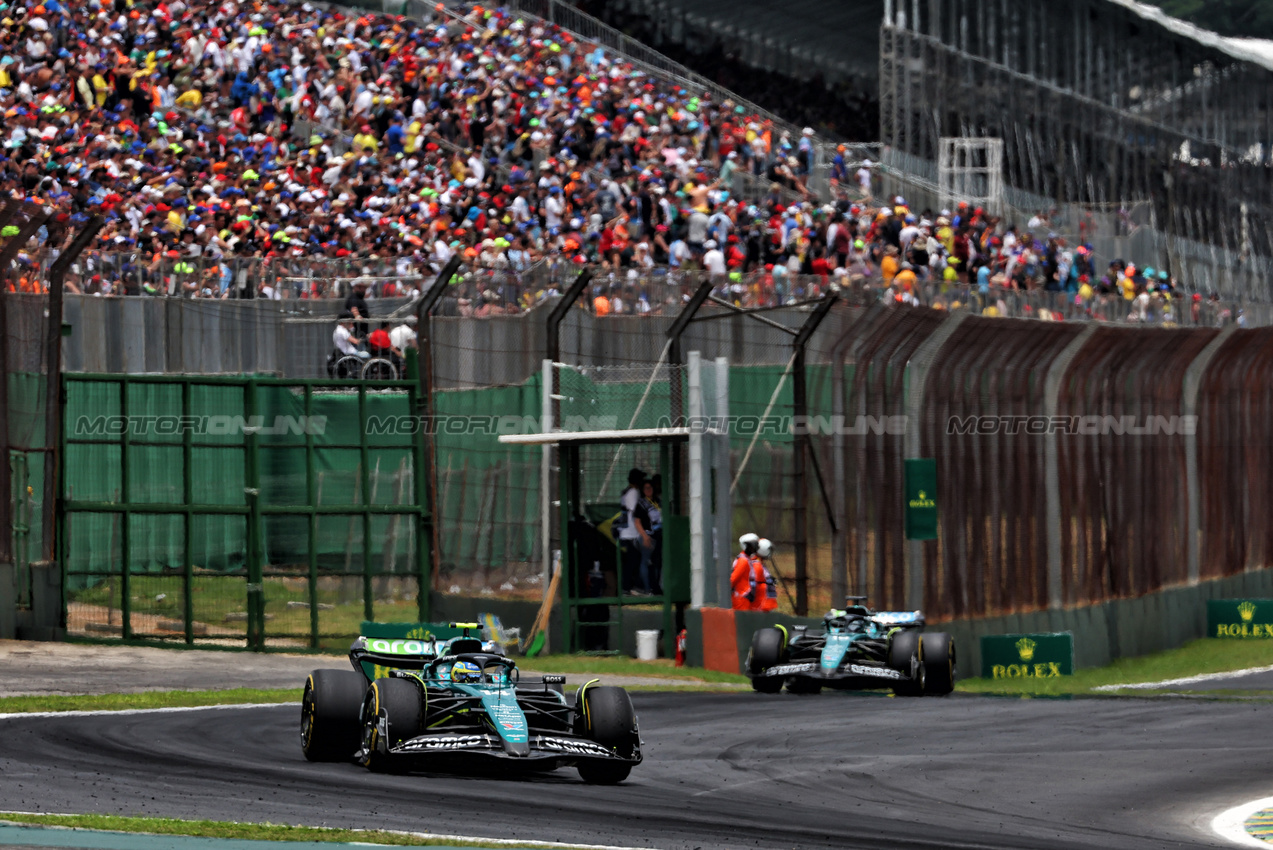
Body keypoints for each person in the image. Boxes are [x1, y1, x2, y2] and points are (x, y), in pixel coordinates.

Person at [619, 468, 647, 595]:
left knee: (631, 561)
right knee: (633, 562)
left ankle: (629, 587)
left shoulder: (626, 492)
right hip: (632, 533)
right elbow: (636, 512)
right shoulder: (633, 492)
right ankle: (630, 587)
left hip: (626, 532)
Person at [634, 475, 663, 595]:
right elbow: (637, 521)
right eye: (645, 488)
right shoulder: (641, 504)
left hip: (659, 536)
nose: (648, 490)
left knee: (657, 563)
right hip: (647, 536)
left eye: (650, 487)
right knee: (646, 562)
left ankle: (655, 588)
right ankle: (646, 589)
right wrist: (645, 537)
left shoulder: (658, 501)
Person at [730, 533, 764, 610]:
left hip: (744, 596)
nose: (755, 548)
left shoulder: (746, 559)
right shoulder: (743, 561)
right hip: (741, 598)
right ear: (746, 546)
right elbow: (734, 578)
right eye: (753, 545)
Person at [754, 538, 779, 612]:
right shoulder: (756, 564)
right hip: (762, 604)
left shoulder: (759, 562)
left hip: (766, 603)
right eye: (769, 550)